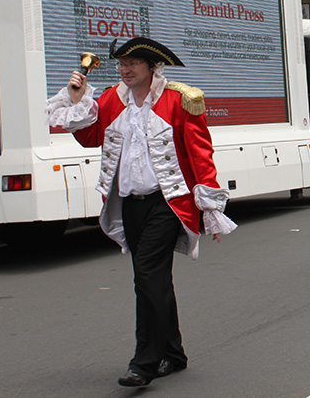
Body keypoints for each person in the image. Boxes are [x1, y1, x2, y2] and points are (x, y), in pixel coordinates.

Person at [46, 37, 236, 388]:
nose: (125, 69)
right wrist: (77, 100)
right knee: (152, 278)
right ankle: (173, 353)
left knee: (148, 275)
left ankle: (144, 363)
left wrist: (209, 205)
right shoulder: (110, 99)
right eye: (121, 63)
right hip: (130, 203)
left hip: (168, 203)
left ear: (152, 67)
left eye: (133, 63)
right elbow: (90, 137)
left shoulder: (179, 99)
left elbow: (199, 151)